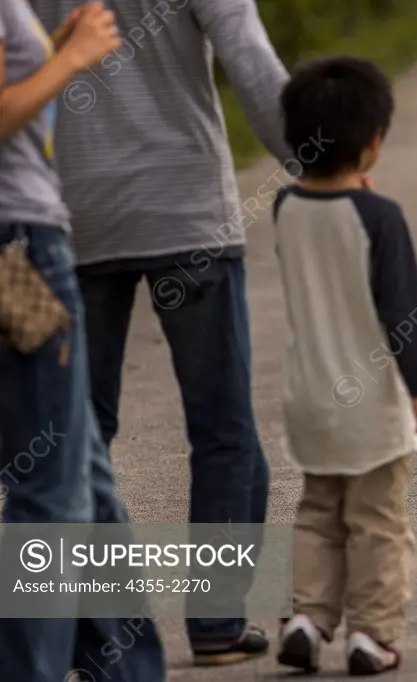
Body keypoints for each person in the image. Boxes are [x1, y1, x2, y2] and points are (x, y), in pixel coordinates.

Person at [30, 0, 296, 665]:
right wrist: (317, 160)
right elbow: (252, 64)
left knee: (69, 441)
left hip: (75, 213)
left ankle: (76, 635)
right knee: (224, 429)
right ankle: (215, 623)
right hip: (187, 215)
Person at [0, 2, 166, 680]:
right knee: (52, 493)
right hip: (20, 249)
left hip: (27, 238)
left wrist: (51, 51)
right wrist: (72, 59)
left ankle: (128, 669)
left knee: (83, 473)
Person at [271, 56, 417, 676]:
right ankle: (371, 633)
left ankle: (305, 616)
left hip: (309, 400)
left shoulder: (283, 209)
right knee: (376, 522)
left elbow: (328, 225)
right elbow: (405, 314)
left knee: (318, 513)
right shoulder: (382, 218)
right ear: (373, 143)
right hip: (370, 405)